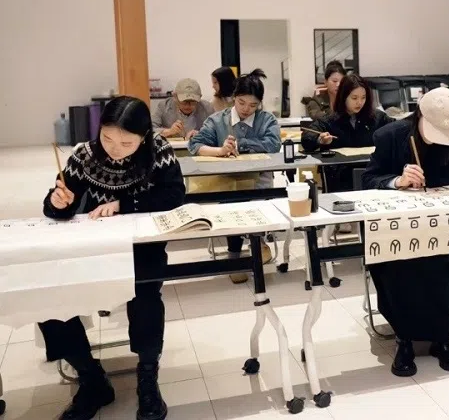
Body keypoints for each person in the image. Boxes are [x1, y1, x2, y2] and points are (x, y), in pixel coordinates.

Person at [41, 97, 185, 420]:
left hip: (140, 249)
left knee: (146, 294)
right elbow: (55, 205)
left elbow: (174, 194)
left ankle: (147, 376)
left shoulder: (158, 151)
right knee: (48, 296)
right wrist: (57, 202)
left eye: (126, 142)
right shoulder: (84, 156)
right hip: (92, 251)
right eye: (107, 137)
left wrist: (123, 204)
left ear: (144, 136)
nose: (114, 148)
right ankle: (91, 378)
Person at [362, 88, 449, 378]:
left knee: (440, 272)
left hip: (441, 221)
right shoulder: (390, 135)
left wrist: (437, 180)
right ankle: (403, 339)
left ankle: (441, 338)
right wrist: (397, 181)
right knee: (398, 272)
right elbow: (368, 178)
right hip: (396, 226)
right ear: (419, 116)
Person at [189, 69, 281, 282]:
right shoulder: (218, 120)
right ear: (233, 99)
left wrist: (242, 144)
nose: (247, 109)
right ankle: (236, 254)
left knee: (254, 199)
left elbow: (274, 144)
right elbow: (195, 144)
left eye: (253, 105)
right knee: (233, 200)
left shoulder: (266, 119)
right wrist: (219, 151)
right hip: (228, 181)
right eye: (241, 103)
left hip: (259, 181)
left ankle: (257, 243)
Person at [300, 73, 392, 191]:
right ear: (344, 97)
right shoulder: (330, 120)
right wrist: (319, 139)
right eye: (354, 98)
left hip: (371, 174)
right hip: (340, 177)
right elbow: (307, 136)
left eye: (363, 97)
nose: (359, 102)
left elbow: (395, 129)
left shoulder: (377, 118)